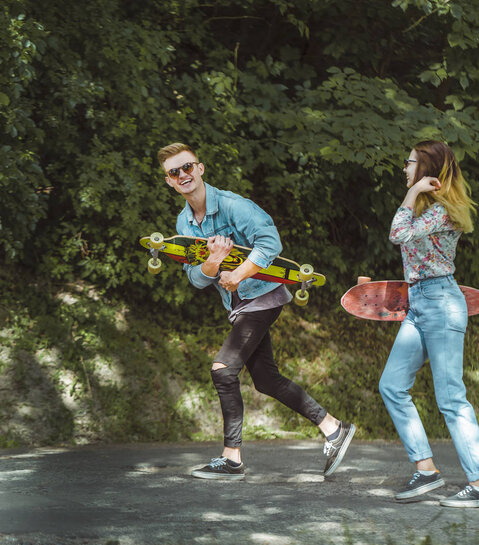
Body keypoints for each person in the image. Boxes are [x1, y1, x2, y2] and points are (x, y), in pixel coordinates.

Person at [157, 142, 356, 480]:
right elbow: (195, 278)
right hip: (237, 306)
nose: (183, 175)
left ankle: (231, 458)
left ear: (200, 169)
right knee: (265, 380)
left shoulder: (235, 206)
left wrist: (236, 273)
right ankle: (333, 428)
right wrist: (212, 264)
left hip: (262, 298)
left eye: (187, 167)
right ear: (169, 182)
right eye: (174, 172)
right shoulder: (184, 223)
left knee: (223, 369)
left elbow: (270, 243)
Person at [379, 140, 479, 508]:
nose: (405, 169)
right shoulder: (426, 210)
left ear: (427, 169)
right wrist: (415, 194)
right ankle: (426, 469)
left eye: (410, 164)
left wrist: (413, 192)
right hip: (419, 303)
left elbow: (397, 234)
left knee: (451, 398)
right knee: (391, 385)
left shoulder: (444, 210)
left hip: (441, 303)